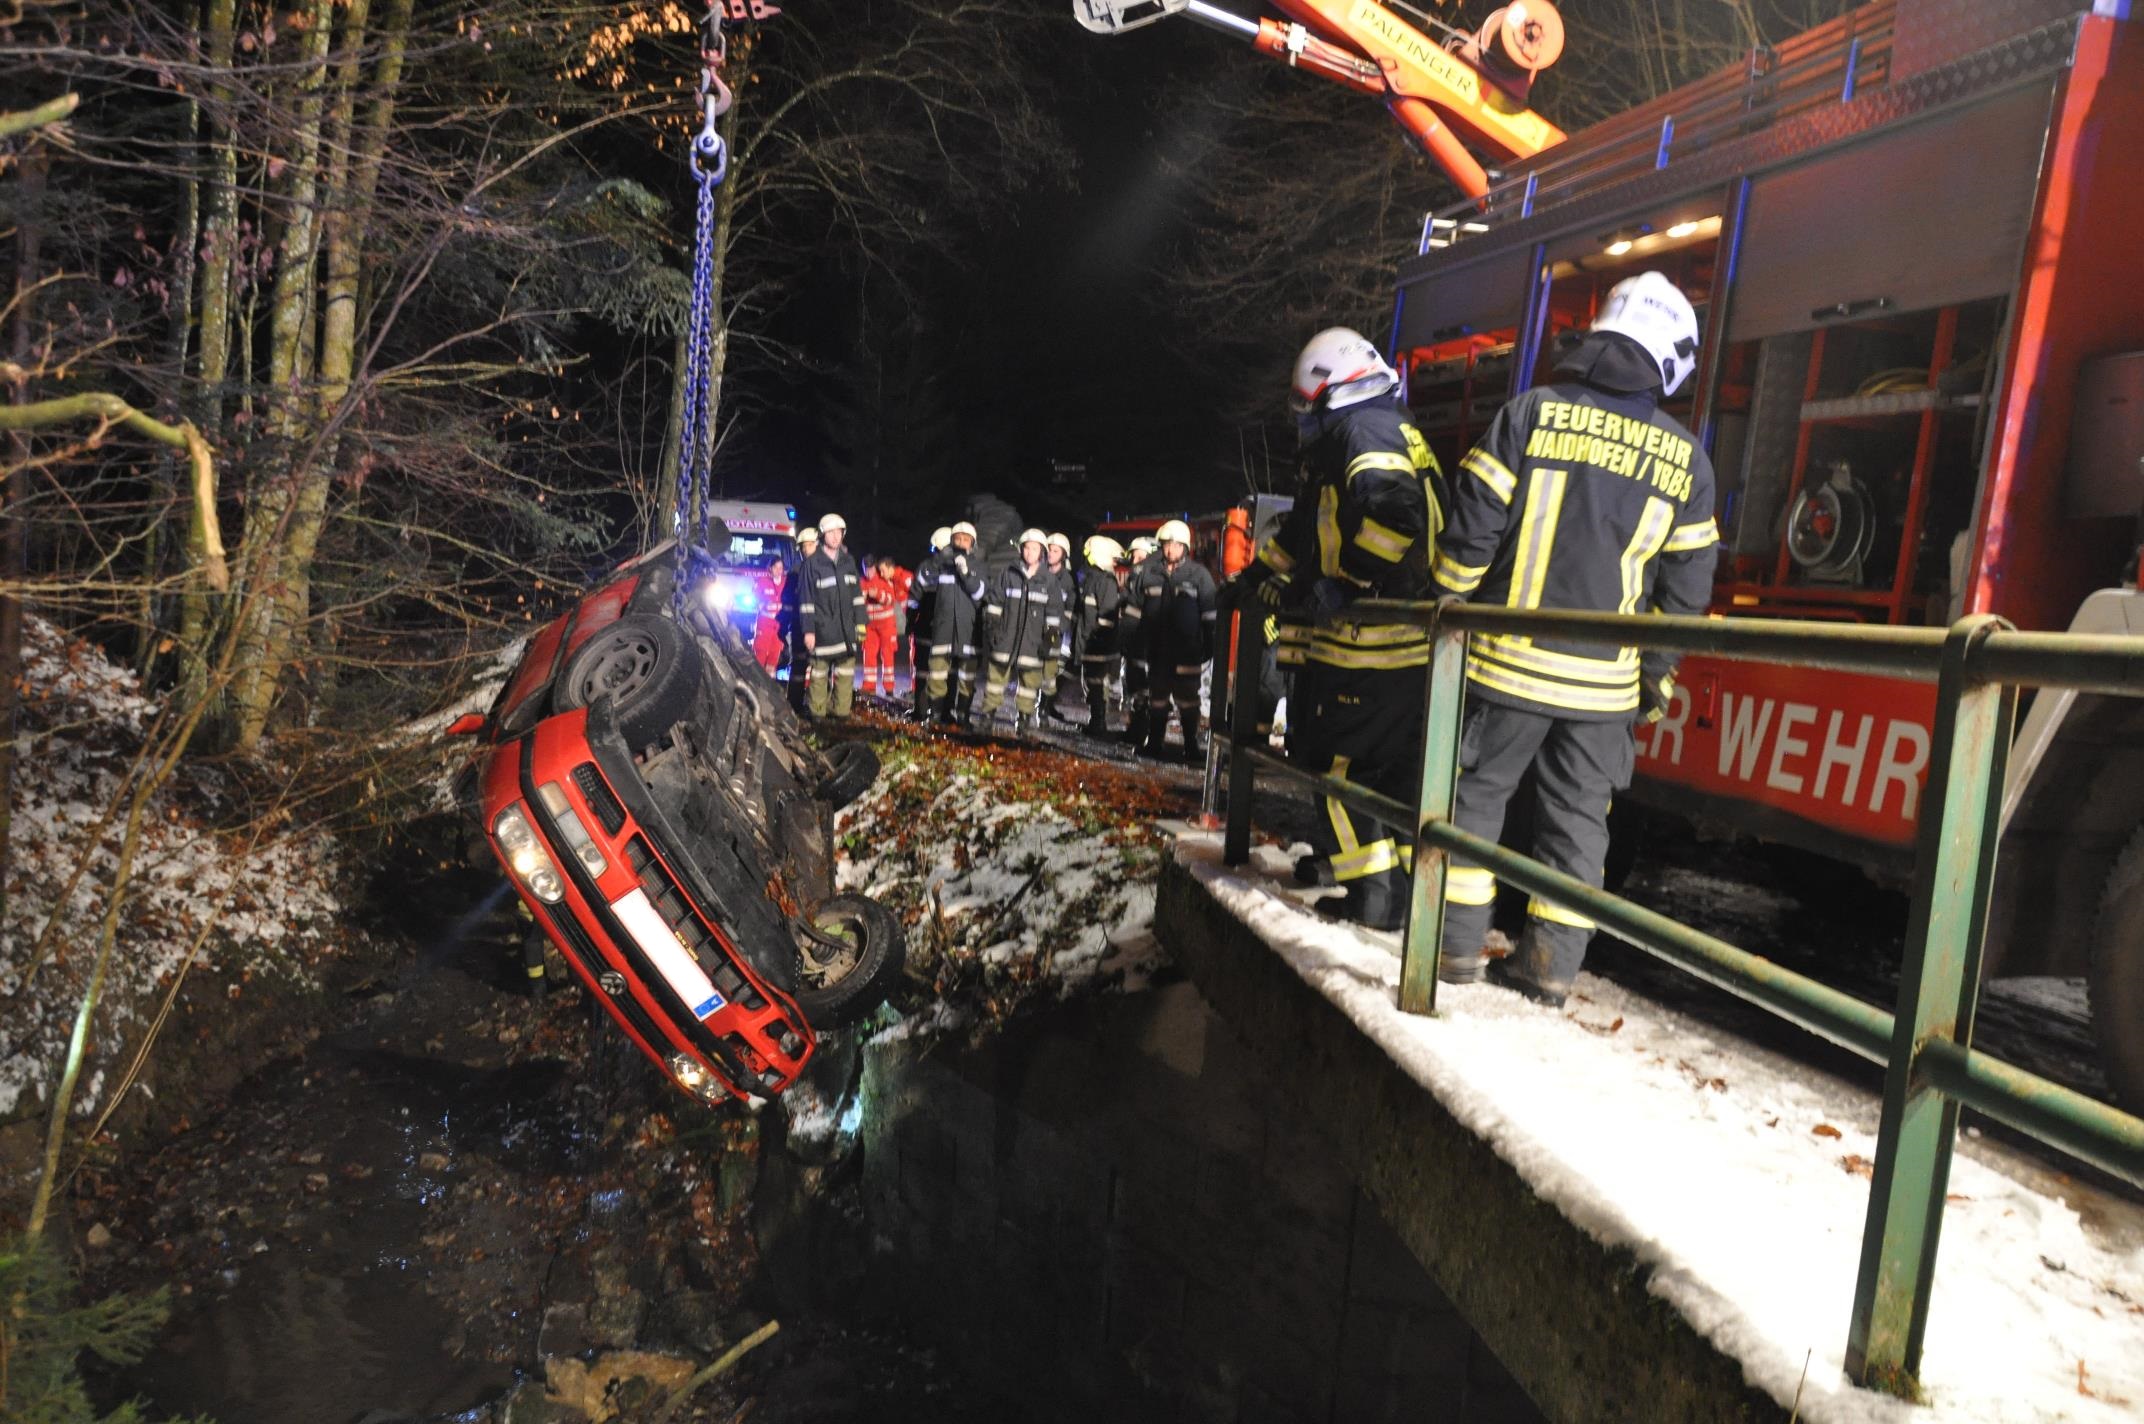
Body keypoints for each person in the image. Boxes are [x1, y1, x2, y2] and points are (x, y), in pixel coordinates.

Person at [1432, 271, 1719, 1003]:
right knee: (1578, 826)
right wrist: (1656, 676)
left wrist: (1449, 601)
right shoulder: (1689, 459)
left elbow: (1473, 524)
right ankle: (1551, 969)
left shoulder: (1531, 413)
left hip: (1506, 667)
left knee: (1475, 801)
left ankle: (1454, 949)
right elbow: (1685, 592)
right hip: (1604, 689)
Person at [1233, 326, 1446, 929]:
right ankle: (1398, 898)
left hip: (1373, 646)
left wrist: (1348, 582)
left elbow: (1396, 516)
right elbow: (1308, 530)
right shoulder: (1370, 430)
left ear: (1331, 393)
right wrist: (1259, 578)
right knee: (1389, 778)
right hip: (1390, 649)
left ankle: (1376, 900)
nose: (1302, 421)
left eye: (1306, 408)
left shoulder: (1363, 431)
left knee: (1341, 771)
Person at [1127, 519, 1216, 763]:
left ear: (1185, 548)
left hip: (1187, 652)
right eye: (1167, 545)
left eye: (1176, 545)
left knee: (1188, 701)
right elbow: (1134, 610)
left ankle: (1191, 746)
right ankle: (1154, 743)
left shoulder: (1199, 576)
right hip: (1157, 650)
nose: (1170, 550)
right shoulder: (1148, 574)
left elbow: (1210, 615)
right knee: (1157, 698)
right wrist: (1132, 641)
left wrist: (1209, 646)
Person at [977, 529, 1067, 735]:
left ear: (1041, 553)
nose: (1029, 552)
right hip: (1005, 640)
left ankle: (1024, 721)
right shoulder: (1008, 575)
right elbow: (994, 603)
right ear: (1021, 550)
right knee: (995, 681)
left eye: (1034, 549)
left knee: (1029, 684)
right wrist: (992, 627)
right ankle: (987, 717)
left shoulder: (1049, 581)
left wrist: (1051, 637)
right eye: (1026, 548)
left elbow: (1054, 612)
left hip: (1033, 643)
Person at [801, 512, 866, 720]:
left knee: (845, 675)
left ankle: (841, 715)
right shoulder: (812, 564)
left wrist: (861, 624)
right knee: (819, 674)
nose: (836, 537)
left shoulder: (848, 562)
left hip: (846, 631)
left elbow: (857, 596)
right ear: (822, 535)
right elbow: (806, 602)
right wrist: (809, 631)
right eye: (831, 533)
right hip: (822, 630)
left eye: (839, 532)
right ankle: (817, 715)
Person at [924, 520, 987, 727]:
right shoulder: (942, 565)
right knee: (938, 674)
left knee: (966, 678)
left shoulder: (979, 566)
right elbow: (924, 581)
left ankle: (963, 716)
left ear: (973, 544)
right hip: (943, 629)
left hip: (968, 631)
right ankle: (936, 715)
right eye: (957, 539)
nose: (961, 543)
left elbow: (980, 594)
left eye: (965, 539)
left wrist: (966, 573)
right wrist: (937, 560)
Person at [1074, 535, 1126, 735]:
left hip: (1098, 645)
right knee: (1092, 684)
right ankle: (1096, 721)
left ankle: (1098, 724)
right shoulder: (1093, 580)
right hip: (1091, 643)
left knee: (1096, 685)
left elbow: (1106, 618)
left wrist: (1096, 641)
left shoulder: (1104, 582)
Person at [1116, 535, 1158, 747]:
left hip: (1145, 644)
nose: (1136, 561)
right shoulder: (1135, 580)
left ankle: (1142, 733)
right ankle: (1136, 730)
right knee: (1134, 688)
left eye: (1141, 557)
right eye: (1134, 557)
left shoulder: (1151, 579)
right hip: (1134, 643)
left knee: (1143, 690)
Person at [909, 527, 951, 720]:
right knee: (943, 671)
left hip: (925, 626)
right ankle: (940, 713)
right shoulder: (958, 567)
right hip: (947, 629)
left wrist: (910, 621)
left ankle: (920, 711)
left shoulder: (925, 567)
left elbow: (914, 598)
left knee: (923, 670)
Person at [779, 525, 819, 713]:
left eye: (809, 545)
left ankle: (816, 706)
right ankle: (794, 703)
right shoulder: (795, 571)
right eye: (803, 546)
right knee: (798, 666)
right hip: (798, 625)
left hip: (819, 626)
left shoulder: (824, 569)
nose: (805, 549)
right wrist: (783, 623)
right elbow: (787, 600)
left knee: (819, 668)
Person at [1039, 532, 1078, 721]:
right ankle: (1038, 707)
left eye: (1056, 551)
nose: (1051, 554)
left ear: (1063, 555)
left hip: (1060, 634)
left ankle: (1046, 707)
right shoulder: (1039, 573)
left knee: (1054, 672)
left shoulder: (1068, 580)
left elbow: (1070, 609)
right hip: (1038, 630)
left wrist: (1060, 630)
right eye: (1049, 550)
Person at [860, 555, 901, 697]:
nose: (868, 573)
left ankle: (889, 688)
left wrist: (877, 594)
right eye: (866, 570)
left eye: (870, 569)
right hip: (869, 627)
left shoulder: (883, 580)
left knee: (887, 655)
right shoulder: (861, 582)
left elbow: (891, 599)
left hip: (886, 625)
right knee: (868, 655)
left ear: (874, 568)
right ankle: (868, 686)